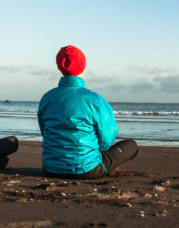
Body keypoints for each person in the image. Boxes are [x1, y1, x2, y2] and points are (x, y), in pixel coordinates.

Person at [38, 45, 138, 179]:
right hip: (87, 169)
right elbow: (108, 136)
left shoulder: (47, 98)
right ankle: (106, 166)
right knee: (131, 145)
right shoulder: (94, 99)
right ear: (83, 67)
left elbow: (45, 132)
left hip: (51, 168)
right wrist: (97, 149)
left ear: (60, 67)